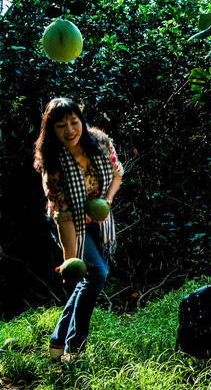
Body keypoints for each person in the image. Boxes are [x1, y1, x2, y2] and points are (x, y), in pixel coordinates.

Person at [33, 98, 124, 361]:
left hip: (99, 218)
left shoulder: (100, 142)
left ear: (81, 121)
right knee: (95, 275)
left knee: (91, 278)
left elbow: (117, 173)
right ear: (51, 130)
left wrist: (105, 202)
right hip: (69, 222)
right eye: (61, 126)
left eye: (74, 122)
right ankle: (76, 347)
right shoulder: (53, 165)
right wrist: (69, 261)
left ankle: (58, 341)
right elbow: (63, 217)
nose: (70, 130)